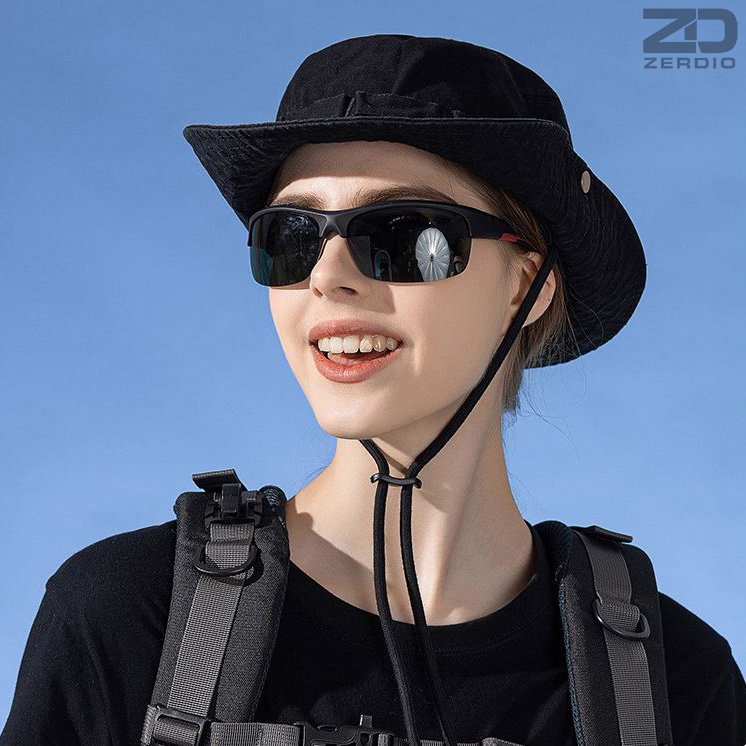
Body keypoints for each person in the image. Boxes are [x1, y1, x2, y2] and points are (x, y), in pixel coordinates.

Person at [1, 34, 744, 746]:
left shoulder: (677, 684)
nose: (327, 276)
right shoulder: (129, 616)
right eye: (291, 237)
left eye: (403, 234)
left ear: (526, 286)